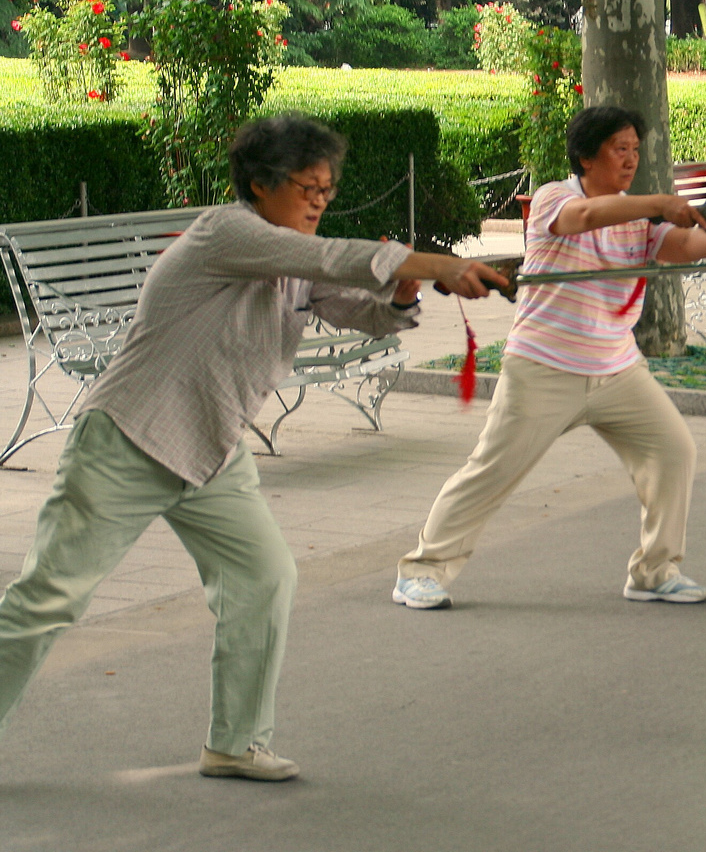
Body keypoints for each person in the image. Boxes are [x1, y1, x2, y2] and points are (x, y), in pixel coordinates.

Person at [0, 115, 508, 781]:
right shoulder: (226, 232)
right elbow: (331, 260)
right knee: (50, 596)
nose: (321, 201)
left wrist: (405, 291)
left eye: (328, 188)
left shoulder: (293, 252)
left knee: (262, 578)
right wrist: (438, 260)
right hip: (131, 436)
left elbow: (358, 303)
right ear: (261, 185)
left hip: (212, 448)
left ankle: (235, 743)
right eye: (308, 187)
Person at [395, 106, 706, 610]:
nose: (630, 160)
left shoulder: (636, 216)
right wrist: (662, 202)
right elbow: (583, 219)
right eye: (619, 149)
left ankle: (655, 571)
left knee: (674, 450)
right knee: (491, 470)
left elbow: (680, 246)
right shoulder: (559, 196)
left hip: (618, 368)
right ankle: (421, 571)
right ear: (585, 156)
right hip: (544, 366)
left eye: (635, 151)